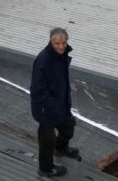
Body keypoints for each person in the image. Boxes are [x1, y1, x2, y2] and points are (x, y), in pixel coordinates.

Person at [30, 27, 80, 178]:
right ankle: (46, 169)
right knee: (47, 140)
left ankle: (61, 148)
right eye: (57, 43)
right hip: (45, 108)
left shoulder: (61, 56)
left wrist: (63, 101)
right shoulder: (44, 60)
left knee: (69, 126)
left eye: (63, 43)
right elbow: (37, 90)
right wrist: (53, 105)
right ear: (51, 42)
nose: (61, 46)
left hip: (60, 103)